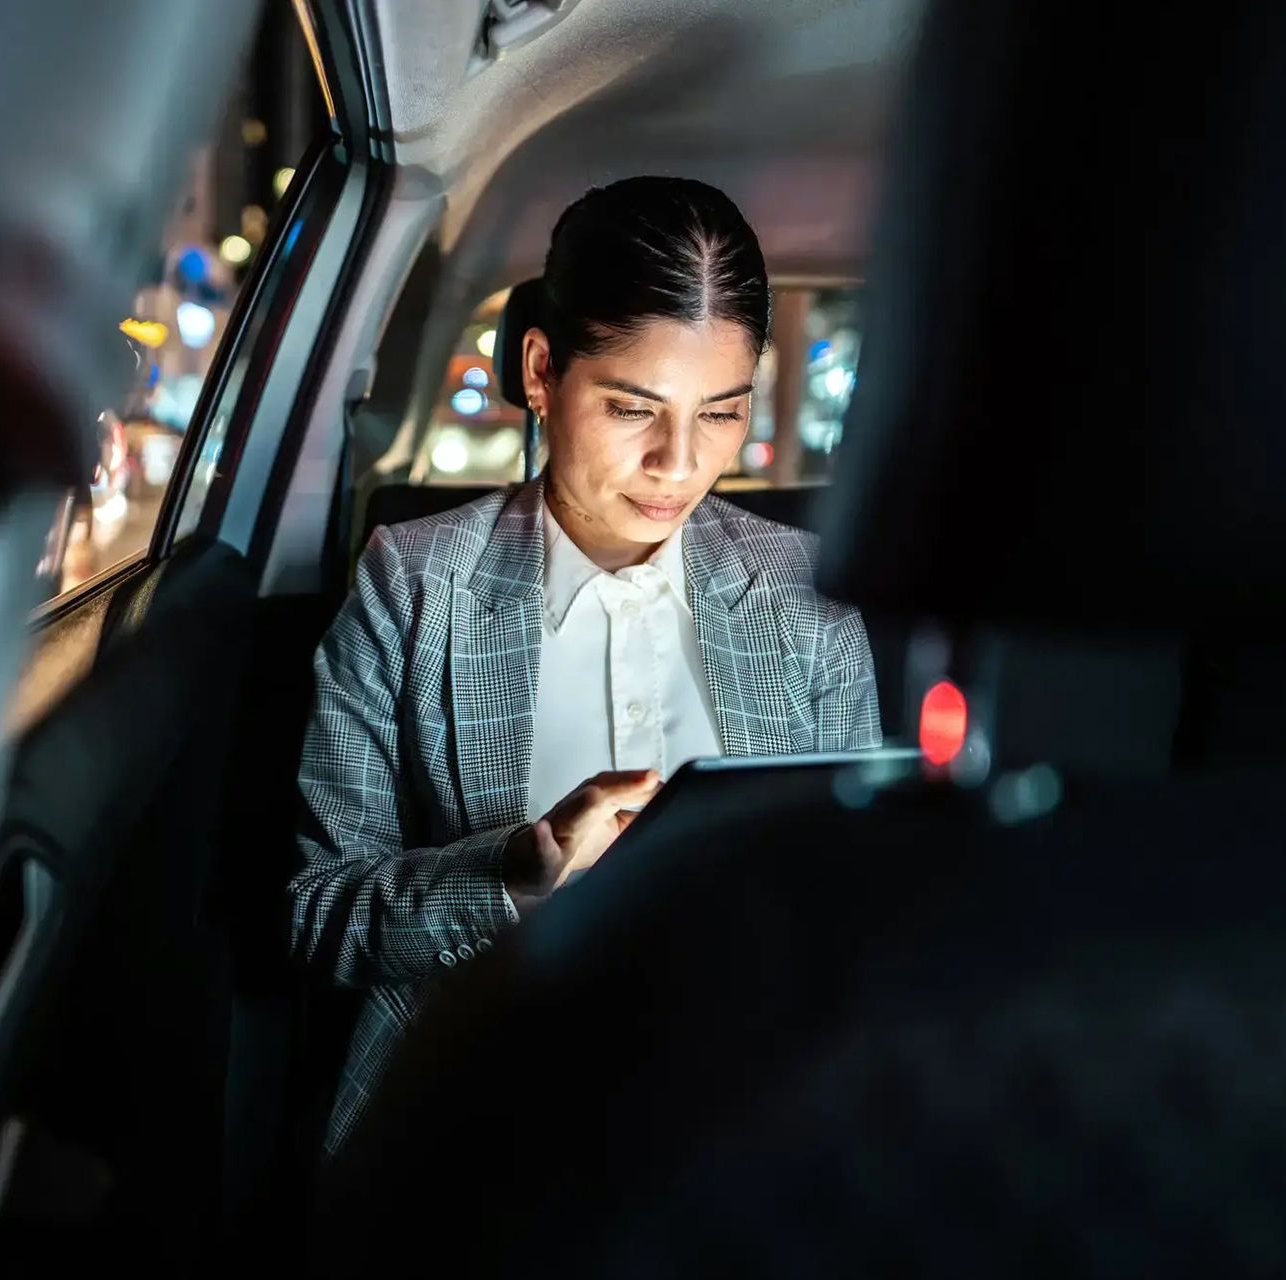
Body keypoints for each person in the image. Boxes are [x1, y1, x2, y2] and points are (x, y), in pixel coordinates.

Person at [288, 175, 882, 1153]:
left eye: (721, 413)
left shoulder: (807, 595)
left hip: (748, 1126)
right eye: (632, 408)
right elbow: (318, 909)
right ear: (540, 371)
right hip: (476, 1125)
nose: (678, 463)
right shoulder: (416, 584)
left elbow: (858, 893)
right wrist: (513, 873)